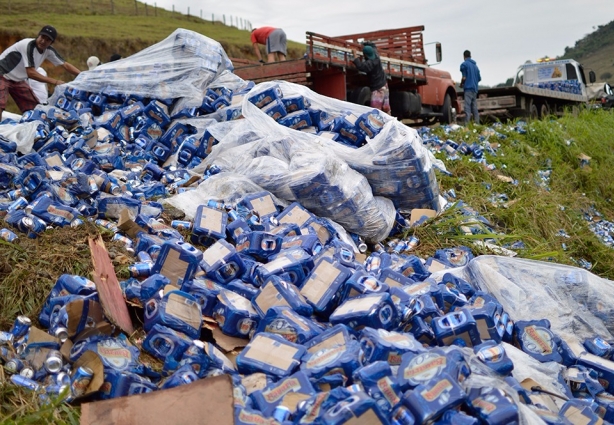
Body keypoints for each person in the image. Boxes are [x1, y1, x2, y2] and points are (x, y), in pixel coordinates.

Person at [0, 25, 81, 121]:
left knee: (34, 108)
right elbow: (31, 73)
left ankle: (36, 130)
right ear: (38, 36)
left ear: (51, 42)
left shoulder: (48, 51)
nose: (43, 41)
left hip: (17, 80)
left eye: (47, 40)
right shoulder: (28, 45)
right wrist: (55, 81)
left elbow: (65, 65)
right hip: (2, 74)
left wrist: (83, 75)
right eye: (42, 37)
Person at [351, 45, 391, 114]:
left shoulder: (371, 63)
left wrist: (355, 55)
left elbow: (361, 67)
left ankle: (377, 124)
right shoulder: (377, 57)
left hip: (378, 89)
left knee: (375, 110)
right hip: (384, 85)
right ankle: (390, 123)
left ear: (365, 55)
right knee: (386, 108)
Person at [460, 50, 481, 125]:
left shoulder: (464, 65)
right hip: (475, 89)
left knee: (467, 108)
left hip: (468, 89)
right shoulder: (476, 66)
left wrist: (461, 84)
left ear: (464, 56)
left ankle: (467, 125)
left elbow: (464, 78)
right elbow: (479, 78)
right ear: (470, 56)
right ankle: (477, 124)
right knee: (474, 108)